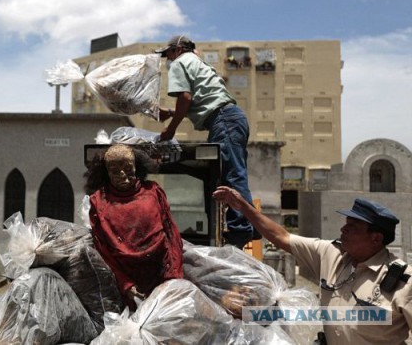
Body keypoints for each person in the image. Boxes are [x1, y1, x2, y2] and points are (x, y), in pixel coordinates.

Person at [213, 185, 412, 345]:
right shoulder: (331, 254)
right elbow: (282, 236)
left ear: (376, 238)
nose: (343, 229)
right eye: (346, 223)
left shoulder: (403, 281)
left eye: (353, 227)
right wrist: (245, 208)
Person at [156, 34, 258, 248]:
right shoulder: (197, 62)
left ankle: (240, 232)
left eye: (168, 54)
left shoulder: (179, 63)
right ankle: (250, 226)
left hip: (223, 120)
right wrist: (171, 113)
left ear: (177, 50)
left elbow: (185, 98)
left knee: (232, 175)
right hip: (229, 118)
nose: (167, 59)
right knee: (230, 173)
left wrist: (171, 129)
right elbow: (204, 99)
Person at [85, 143, 184, 310]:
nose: (123, 175)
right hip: (125, 280)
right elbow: (103, 251)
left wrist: (173, 278)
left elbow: (171, 235)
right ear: (107, 173)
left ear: (137, 168)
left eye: (128, 168)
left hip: (159, 273)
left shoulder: (153, 192)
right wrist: (125, 284)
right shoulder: (98, 201)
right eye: (115, 171)